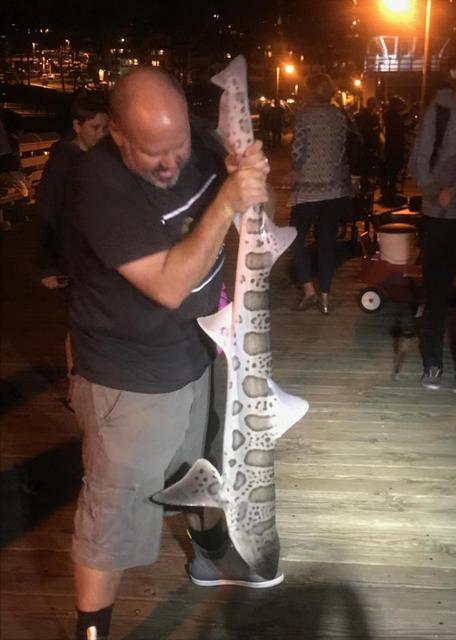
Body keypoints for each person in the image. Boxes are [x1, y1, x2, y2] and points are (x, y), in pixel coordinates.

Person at [63, 67, 272, 640]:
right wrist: (227, 201)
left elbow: (257, 197)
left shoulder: (199, 137)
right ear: (117, 135)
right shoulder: (97, 184)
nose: (169, 163)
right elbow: (169, 284)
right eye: (152, 153)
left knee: (200, 469)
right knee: (114, 514)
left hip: (195, 350)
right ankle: (93, 633)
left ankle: (211, 556)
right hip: (129, 380)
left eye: (176, 145)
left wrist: (247, 175)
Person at [409, 31, 456, 395]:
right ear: (454, 72)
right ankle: (433, 363)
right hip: (440, 217)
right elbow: (418, 162)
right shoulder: (439, 110)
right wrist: (437, 191)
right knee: (435, 294)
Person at [37, 92, 109, 406]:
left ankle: (88, 382)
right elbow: (48, 214)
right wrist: (49, 266)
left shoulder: (100, 158)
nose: (102, 134)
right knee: (78, 324)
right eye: (95, 127)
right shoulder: (63, 162)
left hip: (95, 256)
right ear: (77, 126)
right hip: (70, 257)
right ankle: (75, 387)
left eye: (105, 127)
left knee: (92, 320)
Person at [288, 73, 353, 314]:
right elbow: (341, 150)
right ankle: (325, 296)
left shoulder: (304, 117)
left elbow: (298, 152)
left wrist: (295, 169)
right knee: (327, 244)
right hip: (334, 190)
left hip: (307, 190)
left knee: (295, 238)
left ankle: (308, 290)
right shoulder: (338, 116)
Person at [354, 97, 381, 194]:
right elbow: (360, 131)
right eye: (372, 104)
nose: (374, 107)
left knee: (368, 172)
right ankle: (362, 193)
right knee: (363, 172)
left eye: (375, 104)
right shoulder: (361, 116)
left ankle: (366, 192)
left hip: (370, 148)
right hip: (362, 148)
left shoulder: (374, 117)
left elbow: (376, 132)